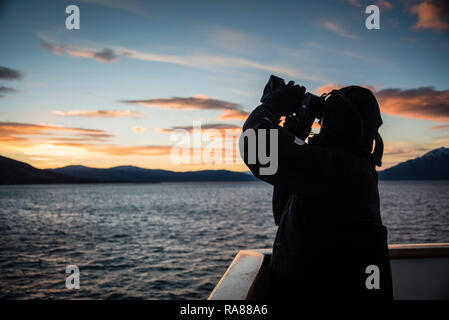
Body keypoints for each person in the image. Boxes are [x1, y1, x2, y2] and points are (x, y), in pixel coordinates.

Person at [240, 77, 393, 299]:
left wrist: (273, 106)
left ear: (340, 124)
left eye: (325, 120)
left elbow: (255, 146)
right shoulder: (348, 169)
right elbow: (283, 212)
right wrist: (294, 134)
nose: (321, 126)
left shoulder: (342, 170)